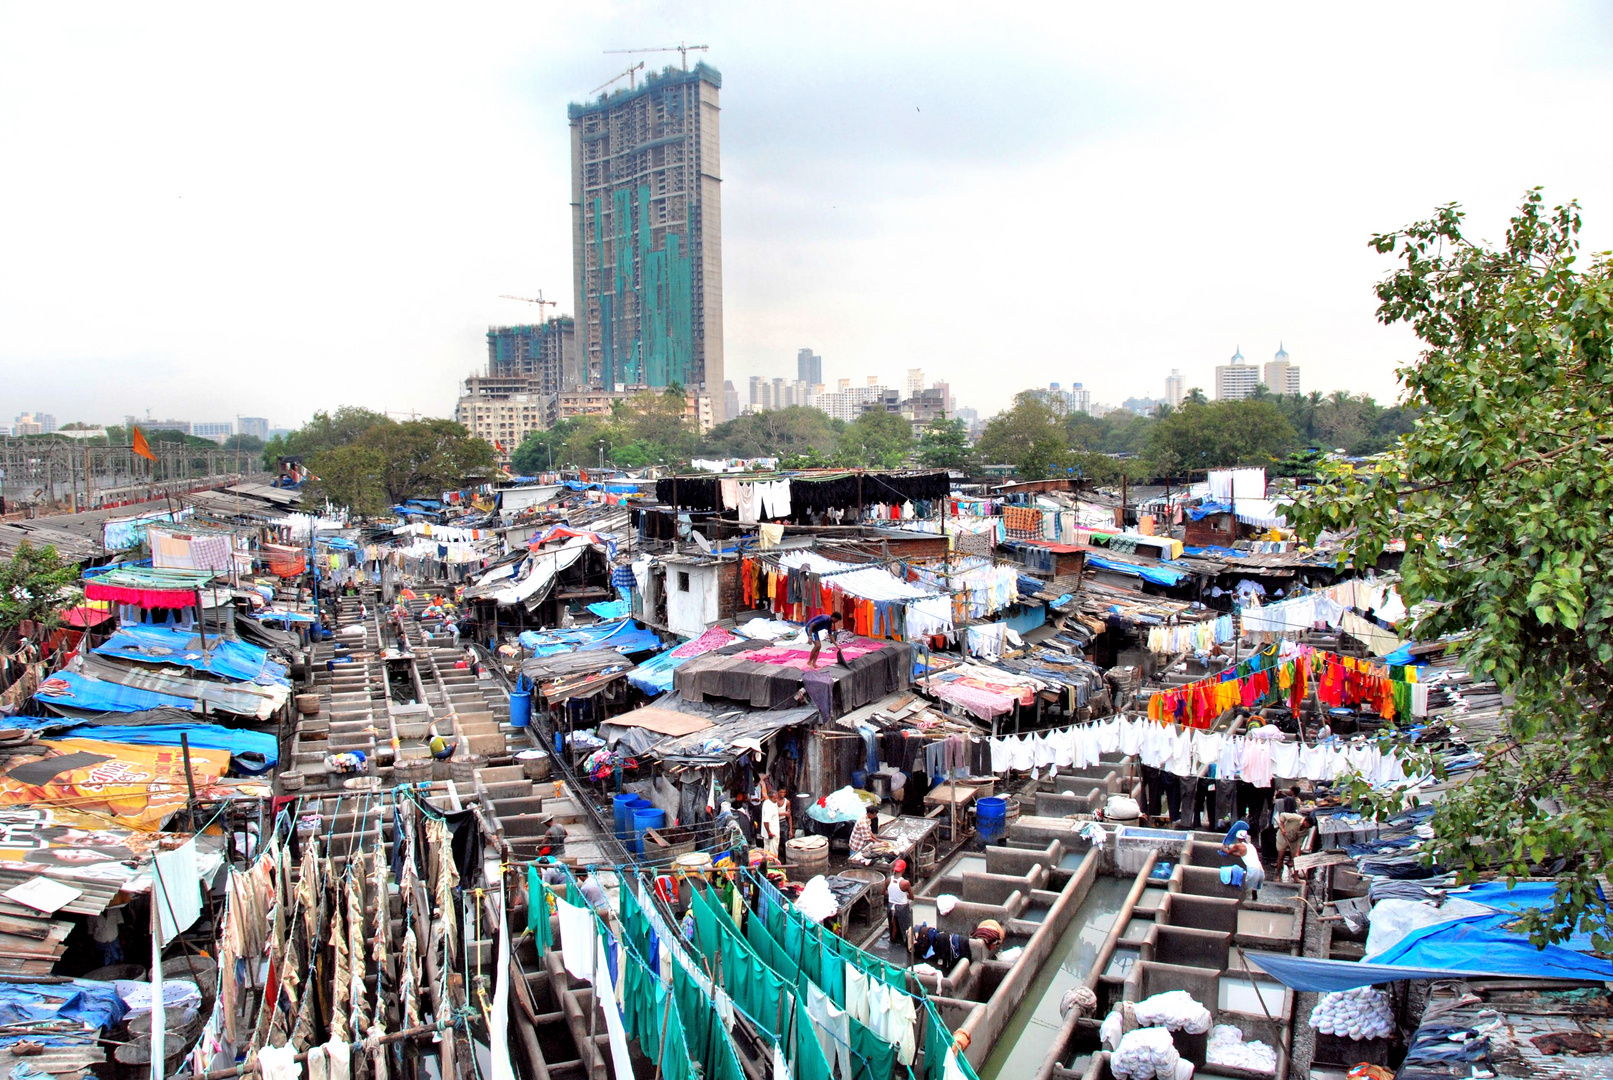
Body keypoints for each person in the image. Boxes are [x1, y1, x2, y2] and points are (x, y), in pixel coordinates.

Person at [1220, 820, 1266, 900]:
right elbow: (1241, 854)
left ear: (1238, 837)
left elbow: (1228, 852)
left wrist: (1223, 848)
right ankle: (1254, 900)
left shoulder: (1238, 846)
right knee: (1254, 888)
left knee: (1245, 888)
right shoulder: (1250, 846)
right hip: (1259, 868)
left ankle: (1241, 904)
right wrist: (1231, 851)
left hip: (1253, 869)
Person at [1274, 786, 1309, 880]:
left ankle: (1296, 877)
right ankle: (1278, 875)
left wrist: (1297, 852)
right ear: (1305, 821)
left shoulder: (1306, 830)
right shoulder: (1296, 818)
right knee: (1281, 856)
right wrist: (1282, 828)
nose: (1306, 827)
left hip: (1294, 839)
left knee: (1296, 858)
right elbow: (1282, 816)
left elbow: (1300, 842)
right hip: (1283, 836)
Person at [887, 859, 914, 949]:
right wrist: (904, 894)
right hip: (902, 907)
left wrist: (892, 894)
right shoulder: (905, 883)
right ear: (903, 869)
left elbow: (883, 892)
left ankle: (893, 941)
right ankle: (908, 945)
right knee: (906, 927)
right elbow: (912, 897)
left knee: (893, 926)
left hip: (891, 906)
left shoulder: (888, 880)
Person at [759, 790, 781, 859]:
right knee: (772, 854)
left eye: (777, 798)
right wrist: (769, 832)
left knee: (767, 852)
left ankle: (767, 866)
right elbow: (766, 821)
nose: (776, 800)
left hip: (767, 834)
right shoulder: (769, 806)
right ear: (770, 797)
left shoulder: (767, 802)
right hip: (772, 834)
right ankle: (773, 866)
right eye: (775, 798)